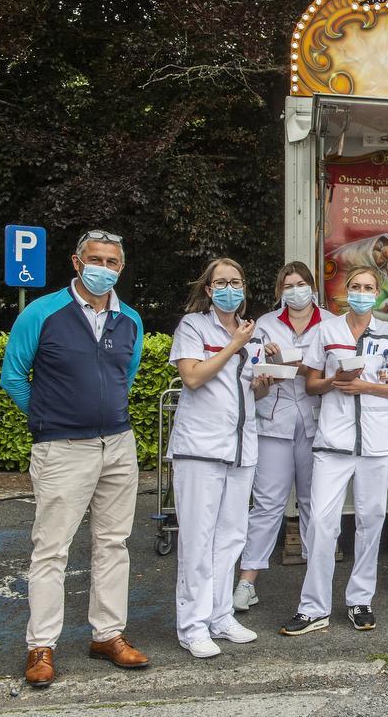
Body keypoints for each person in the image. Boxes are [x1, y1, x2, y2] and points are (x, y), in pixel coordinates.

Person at [1, 230, 149, 687]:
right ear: (76, 261)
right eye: (95, 258)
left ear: (121, 269)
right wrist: (49, 416)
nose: (103, 267)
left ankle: (107, 635)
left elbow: (126, 375)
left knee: (113, 543)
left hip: (118, 446)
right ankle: (41, 645)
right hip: (62, 448)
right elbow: (13, 376)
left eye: (111, 261)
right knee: (51, 549)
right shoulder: (41, 312)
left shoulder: (131, 320)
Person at [280, 266, 388, 635]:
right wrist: (333, 382)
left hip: (376, 442)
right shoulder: (327, 330)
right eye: (355, 286)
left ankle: (360, 600)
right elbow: (310, 384)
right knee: (322, 523)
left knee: (370, 522)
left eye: (369, 287)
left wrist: (368, 388)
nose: (361, 292)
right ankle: (313, 607)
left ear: (379, 294)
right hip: (333, 441)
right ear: (345, 291)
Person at [168, 257, 273, 658]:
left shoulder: (252, 333)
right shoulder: (194, 326)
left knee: (231, 536)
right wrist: (235, 346)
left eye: (237, 281)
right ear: (210, 291)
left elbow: (252, 393)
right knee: (198, 539)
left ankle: (220, 615)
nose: (231, 288)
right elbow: (192, 377)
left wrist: (263, 382)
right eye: (222, 282)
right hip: (201, 449)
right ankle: (192, 626)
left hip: (241, 447)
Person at [233, 262, 336, 612]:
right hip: (274, 421)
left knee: (313, 503)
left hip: (317, 421)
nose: (295, 291)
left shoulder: (332, 323)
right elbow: (255, 377)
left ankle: (315, 584)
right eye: (288, 285)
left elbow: (335, 371)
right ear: (280, 291)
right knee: (267, 504)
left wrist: (300, 366)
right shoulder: (264, 324)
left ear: (312, 286)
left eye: (301, 284)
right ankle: (247, 582)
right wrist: (268, 376)